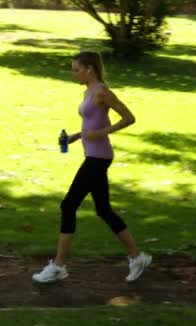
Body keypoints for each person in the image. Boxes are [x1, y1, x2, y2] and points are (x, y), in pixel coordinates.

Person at [32, 51, 152, 284]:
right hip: (94, 154)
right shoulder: (89, 91)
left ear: (89, 69)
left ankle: (58, 266)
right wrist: (76, 137)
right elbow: (91, 122)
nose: (73, 73)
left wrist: (100, 133)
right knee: (103, 210)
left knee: (68, 205)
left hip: (99, 157)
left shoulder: (102, 92)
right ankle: (137, 258)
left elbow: (129, 118)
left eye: (76, 69)